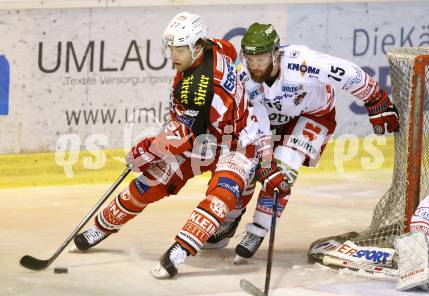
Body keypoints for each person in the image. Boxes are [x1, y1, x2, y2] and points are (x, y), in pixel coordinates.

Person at [72, 13, 286, 279]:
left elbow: (181, 135)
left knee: (222, 196)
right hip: (204, 137)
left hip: (237, 141)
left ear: (196, 47)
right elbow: (229, 53)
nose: (173, 55)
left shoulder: (198, 87)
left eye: (180, 49)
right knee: (150, 183)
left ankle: (179, 251)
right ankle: (101, 228)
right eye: (171, 47)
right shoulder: (218, 46)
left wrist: (145, 151)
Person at [205, 22, 399, 263]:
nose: (254, 65)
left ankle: (257, 230)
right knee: (249, 166)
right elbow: (258, 121)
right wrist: (265, 161)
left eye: (261, 58)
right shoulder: (245, 77)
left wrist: (376, 99)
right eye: (249, 57)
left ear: (276, 53)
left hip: (314, 115)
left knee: (285, 167)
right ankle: (232, 217)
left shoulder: (302, 63)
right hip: (273, 121)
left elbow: (347, 72)